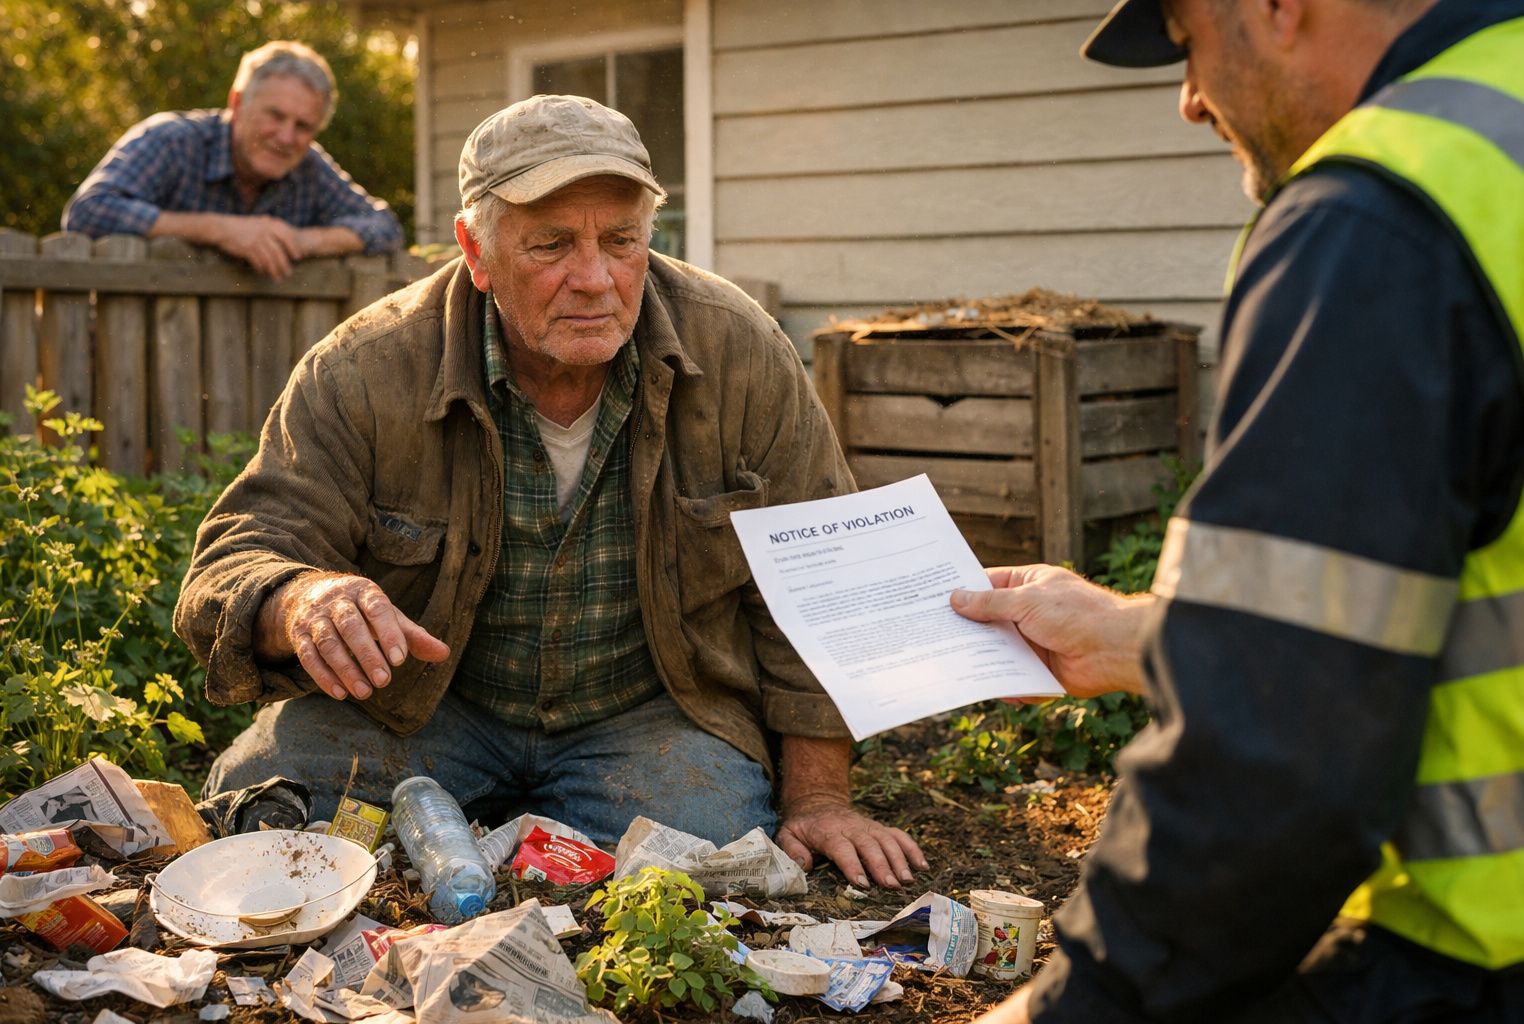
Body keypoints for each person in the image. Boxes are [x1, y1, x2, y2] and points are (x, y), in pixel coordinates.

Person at [173, 94, 926, 890]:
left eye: (622, 241)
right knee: (264, 805)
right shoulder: (365, 367)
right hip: (426, 708)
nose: (595, 279)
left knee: (712, 851)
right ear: (476, 250)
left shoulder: (740, 350)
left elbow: (829, 578)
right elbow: (240, 552)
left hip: (648, 712)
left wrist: (819, 796)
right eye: (552, 244)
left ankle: (494, 831)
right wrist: (302, 598)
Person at [950, 0, 1524, 1020]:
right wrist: (1138, 632)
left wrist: (1080, 1003)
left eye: (1187, 40)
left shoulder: (1378, 222)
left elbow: (1272, 779)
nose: (1188, 99)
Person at [62, 41, 402, 281]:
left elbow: (384, 228)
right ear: (237, 103)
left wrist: (303, 241)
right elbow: (88, 212)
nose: (286, 137)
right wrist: (220, 229)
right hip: (125, 348)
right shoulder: (172, 141)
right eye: (275, 115)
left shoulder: (309, 166)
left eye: (303, 126)